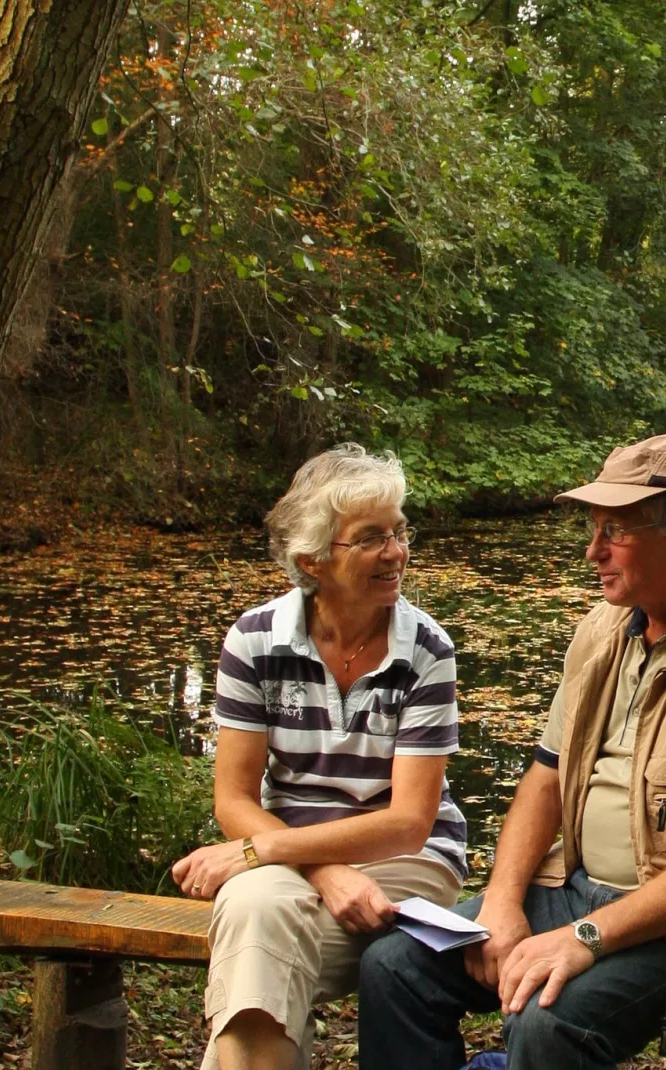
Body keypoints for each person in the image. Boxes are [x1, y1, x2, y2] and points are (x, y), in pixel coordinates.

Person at [358, 433, 666, 1070]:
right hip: (576, 889)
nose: (592, 552)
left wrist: (583, 939)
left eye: (617, 531)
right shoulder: (604, 629)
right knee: (394, 966)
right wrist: (501, 902)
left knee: (546, 1022)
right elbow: (544, 781)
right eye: (593, 528)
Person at [171, 443, 468, 1070]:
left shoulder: (426, 650)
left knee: (257, 945)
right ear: (312, 560)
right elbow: (234, 799)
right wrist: (323, 871)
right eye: (370, 539)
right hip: (288, 863)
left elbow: (409, 822)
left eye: (399, 531)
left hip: (406, 865)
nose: (397, 552)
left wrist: (268, 852)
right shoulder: (254, 642)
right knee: (258, 915)